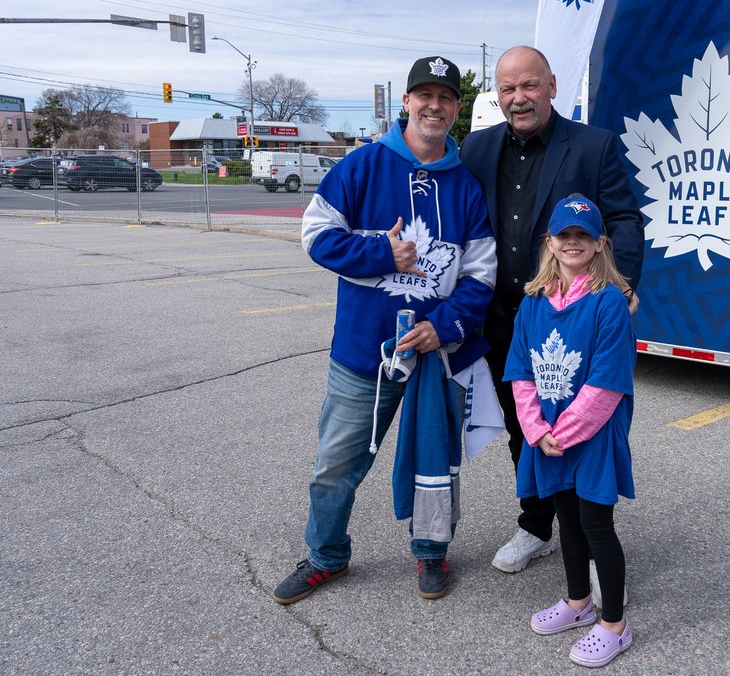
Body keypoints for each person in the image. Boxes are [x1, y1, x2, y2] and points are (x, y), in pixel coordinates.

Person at [273, 55, 496, 603]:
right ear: (406, 101)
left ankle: (431, 555)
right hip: (362, 355)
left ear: (457, 108)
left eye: (446, 98)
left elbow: (481, 273)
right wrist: (381, 251)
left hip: (435, 355)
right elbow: (316, 236)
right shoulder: (361, 166)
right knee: (336, 465)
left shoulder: (465, 186)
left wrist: (442, 326)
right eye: (425, 95)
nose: (435, 106)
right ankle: (326, 556)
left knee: (435, 460)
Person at [460, 45, 643, 573]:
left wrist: (623, 283)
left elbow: (625, 218)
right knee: (527, 426)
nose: (519, 98)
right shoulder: (475, 148)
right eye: (509, 89)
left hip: (573, 321)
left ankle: (588, 536)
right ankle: (536, 525)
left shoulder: (594, 146)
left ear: (553, 86)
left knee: (587, 423)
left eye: (530, 86)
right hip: (505, 322)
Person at [505, 195, 637, 668]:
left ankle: (615, 625)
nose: (573, 242)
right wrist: (536, 429)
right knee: (566, 520)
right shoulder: (534, 303)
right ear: (551, 243)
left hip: (591, 438)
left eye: (583, 235)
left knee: (597, 526)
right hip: (549, 438)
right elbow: (520, 371)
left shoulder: (608, 304)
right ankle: (579, 603)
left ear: (600, 243)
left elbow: (607, 381)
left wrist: (565, 430)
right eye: (565, 235)